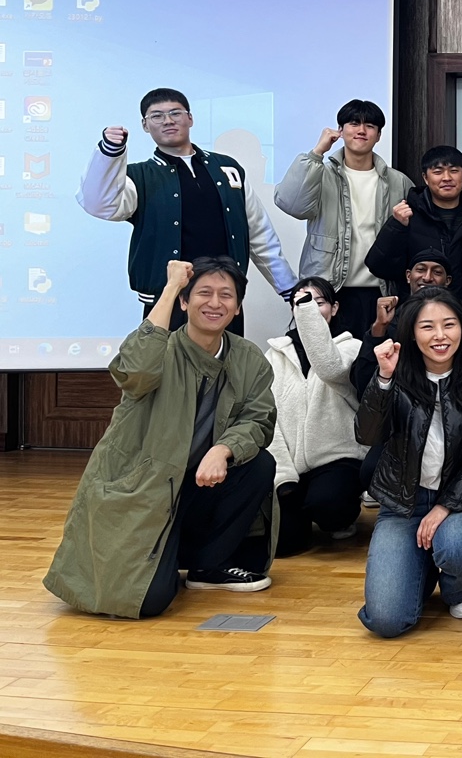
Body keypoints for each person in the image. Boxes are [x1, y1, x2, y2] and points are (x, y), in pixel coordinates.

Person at [45, 257, 278, 618]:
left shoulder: (249, 358)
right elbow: (132, 371)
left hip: (198, 487)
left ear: (237, 307)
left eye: (226, 295)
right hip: (143, 489)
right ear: (184, 302)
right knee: (148, 601)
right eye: (203, 293)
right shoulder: (160, 349)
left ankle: (207, 566)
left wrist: (223, 448)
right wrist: (170, 287)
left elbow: (258, 419)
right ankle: (163, 561)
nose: (215, 303)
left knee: (259, 463)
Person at [78, 87, 297, 332]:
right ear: (145, 125)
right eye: (157, 116)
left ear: (190, 118)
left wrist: (291, 290)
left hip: (224, 296)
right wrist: (110, 153)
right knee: (164, 358)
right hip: (166, 299)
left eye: (175, 113)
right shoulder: (139, 177)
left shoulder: (227, 169)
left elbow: (259, 233)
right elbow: (99, 204)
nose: (168, 121)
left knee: (228, 357)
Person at [355, 287, 462, 637]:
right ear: (411, 333)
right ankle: (420, 568)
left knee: (459, 550)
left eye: (449, 324)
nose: (440, 335)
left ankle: (458, 588)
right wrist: (383, 379)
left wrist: (445, 506)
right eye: (427, 327)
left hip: (461, 500)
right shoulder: (395, 374)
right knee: (386, 621)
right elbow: (367, 434)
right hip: (402, 502)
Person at [275, 99, 414, 341]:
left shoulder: (398, 181)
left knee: (373, 357)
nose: (361, 130)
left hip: (380, 291)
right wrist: (316, 153)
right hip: (329, 290)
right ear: (340, 130)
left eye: (370, 126)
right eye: (354, 123)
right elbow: (291, 204)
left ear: (379, 135)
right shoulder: (321, 173)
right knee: (323, 358)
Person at [264, 277, 366, 557]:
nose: (309, 307)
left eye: (318, 302)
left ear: (334, 308)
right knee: (284, 544)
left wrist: (307, 311)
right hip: (293, 466)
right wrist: (283, 476)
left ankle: (341, 515)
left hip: (338, 458)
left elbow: (330, 367)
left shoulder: (351, 347)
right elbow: (268, 417)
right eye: (301, 302)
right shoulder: (274, 355)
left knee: (328, 506)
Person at [366, 145, 462, 313]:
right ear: (425, 178)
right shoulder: (407, 215)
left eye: (454, 171)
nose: (447, 178)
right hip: (419, 312)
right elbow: (378, 266)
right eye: (438, 172)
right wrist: (396, 227)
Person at [349, 248, 453, 397]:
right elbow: (363, 385)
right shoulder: (392, 318)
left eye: (437, 272)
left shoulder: (460, 317)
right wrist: (379, 327)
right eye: (421, 270)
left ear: (447, 280)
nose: (427, 277)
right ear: (408, 276)